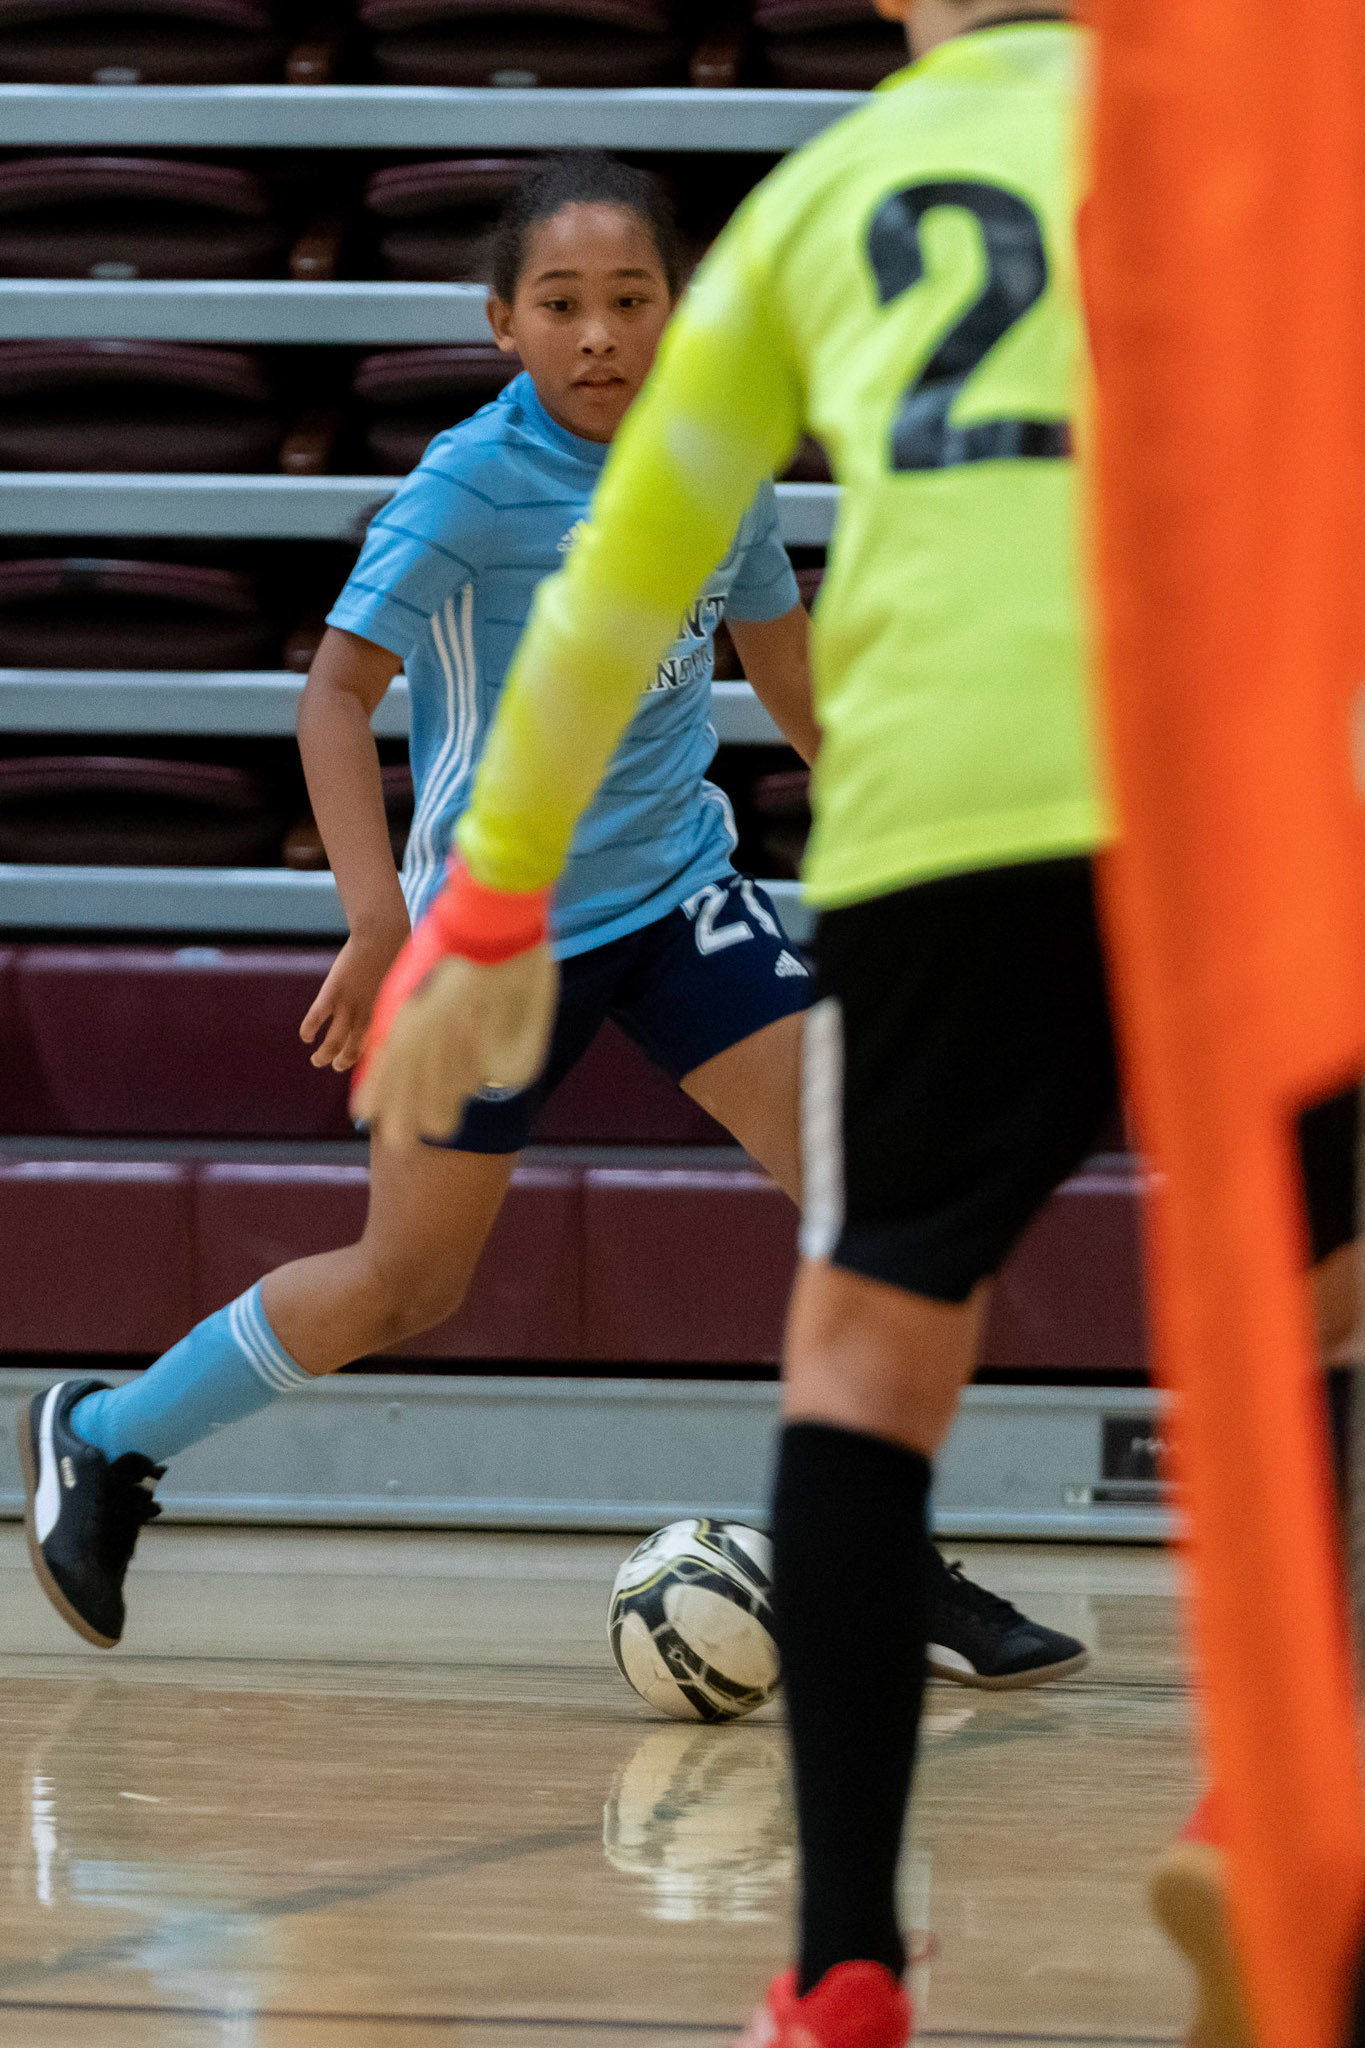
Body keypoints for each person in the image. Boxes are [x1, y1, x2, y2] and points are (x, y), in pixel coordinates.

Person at [348, 14, 1363, 2048]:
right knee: (1321, 1318)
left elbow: (621, 581)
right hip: (1236, 788)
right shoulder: (1251, 139)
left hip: (944, 816)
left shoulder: (825, 202)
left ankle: (839, 1972)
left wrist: (488, 896)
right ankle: (1273, 1810)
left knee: (865, 1365)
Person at [16, 151, 1080, 1701]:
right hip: (493, 938)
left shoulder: (719, 461)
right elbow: (333, 696)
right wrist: (376, 920)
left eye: (631, 300)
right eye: (563, 305)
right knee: (406, 1283)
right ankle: (108, 1437)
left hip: (676, 893)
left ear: (678, 311)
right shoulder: (471, 483)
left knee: (872, 1200)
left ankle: (875, 1548)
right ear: (502, 325)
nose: (599, 334)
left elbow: (786, 673)